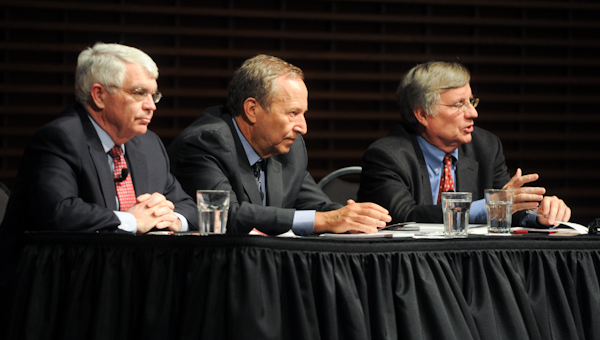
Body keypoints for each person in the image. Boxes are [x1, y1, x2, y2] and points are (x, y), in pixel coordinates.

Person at [167, 54, 391, 235]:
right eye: (292, 113)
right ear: (252, 110)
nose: (302, 127)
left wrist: (352, 217)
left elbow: (317, 208)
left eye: (303, 114)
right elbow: (225, 215)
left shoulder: (289, 148)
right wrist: (327, 219)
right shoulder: (204, 143)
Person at [0, 42, 198, 234]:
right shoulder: (60, 139)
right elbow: (58, 212)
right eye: (139, 93)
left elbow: (188, 208)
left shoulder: (149, 145)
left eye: (153, 95)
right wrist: (132, 220)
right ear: (99, 95)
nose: (151, 106)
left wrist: (172, 219)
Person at [358, 61, 570, 227]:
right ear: (423, 114)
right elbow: (404, 217)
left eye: (471, 101)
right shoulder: (387, 156)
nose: (473, 113)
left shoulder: (485, 147)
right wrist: (491, 205)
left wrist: (538, 214)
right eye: (459, 105)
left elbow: (505, 208)